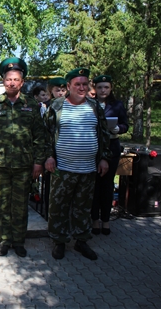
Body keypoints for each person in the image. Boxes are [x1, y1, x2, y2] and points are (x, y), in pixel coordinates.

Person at [0, 58, 46, 258]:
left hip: (24, 164)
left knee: (19, 205)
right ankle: (4, 241)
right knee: (2, 205)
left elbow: (39, 135)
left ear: (22, 82)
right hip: (0, 164)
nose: (11, 83)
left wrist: (38, 162)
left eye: (16, 79)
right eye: (8, 79)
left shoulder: (31, 105)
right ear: (3, 81)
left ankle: (19, 241)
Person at [44, 68, 111, 261]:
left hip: (88, 168)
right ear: (68, 86)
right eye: (77, 84)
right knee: (59, 205)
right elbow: (47, 134)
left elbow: (104, 133)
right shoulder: (56, 106)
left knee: (83, 207)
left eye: (84, 84)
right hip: (62, 168)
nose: (82, 88)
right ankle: (59, 241)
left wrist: (104, 158)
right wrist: (49, 156)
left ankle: (81, 240)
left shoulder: (94, 106)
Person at [91, 75, 129, 235]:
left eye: (106, 87)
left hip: (112, 146)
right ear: (95, 88)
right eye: (100, 87)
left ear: (110, 88)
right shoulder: (90, 104)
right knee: (94, 186)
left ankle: (105, 221)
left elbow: (125, 124)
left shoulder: (117, 105)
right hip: (93, 148)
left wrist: (118, 129)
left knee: (107, 185)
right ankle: (94, 221)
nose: (103, 90)